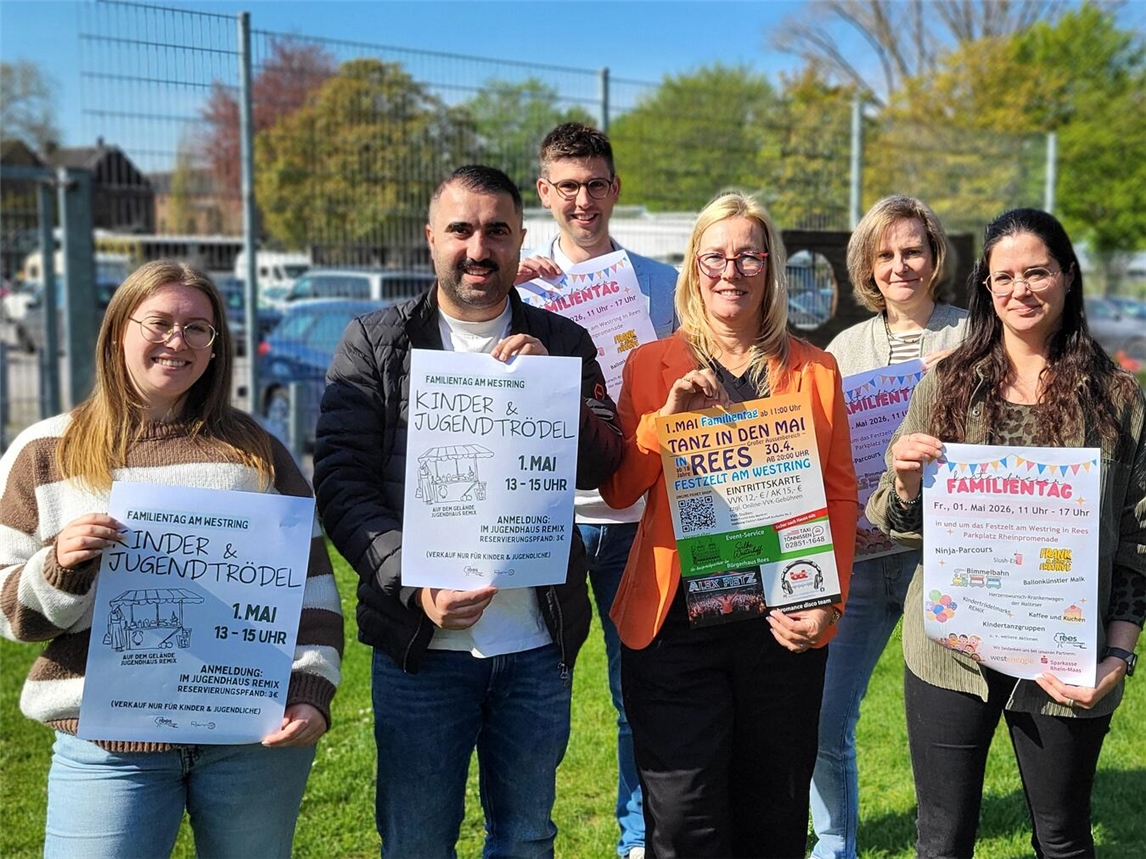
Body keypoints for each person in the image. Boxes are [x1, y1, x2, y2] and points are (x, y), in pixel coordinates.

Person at [312, 164, 624, 858]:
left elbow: (607, 464)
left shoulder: (564, 340)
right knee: (417, 841)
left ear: (520, 240)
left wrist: (553, 391)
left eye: (497, 231)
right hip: (420, 650)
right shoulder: (375, 341)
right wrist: (414, 583)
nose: (478, 249)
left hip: (536, 647)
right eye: (461, 229)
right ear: (431, 238)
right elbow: (341, 483)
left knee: (526, 837)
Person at [0, 260, 344, 859]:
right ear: (118, 333)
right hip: (106, 744)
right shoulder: (45, 452)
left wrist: (311, 687)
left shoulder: (257, 453)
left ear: (215, 346)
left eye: (197, 329)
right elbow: (10, 614)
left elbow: (309, 590)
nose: (177, 341)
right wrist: (60, 567)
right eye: (158, 323)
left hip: (250, 739)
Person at [867, 208, 1145, 858]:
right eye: (1005, 277)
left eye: (1037, 272)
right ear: (987, 288)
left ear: (1067, 276)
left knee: (1063, 836)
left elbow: (1138, 542)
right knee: (943, 839)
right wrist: (905, 482)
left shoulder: (1118, 399)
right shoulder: (946, 385)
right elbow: (894, 521)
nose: (1021, 289)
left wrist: (1117, 657)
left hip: (1065, 654)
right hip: (950, 653)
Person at [599, 191, 858, 857]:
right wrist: (666, 424)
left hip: (782, 621)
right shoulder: (651, 364)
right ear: (694, 266)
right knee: (684, 820)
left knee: (773, 816)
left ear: (770, 267)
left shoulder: (816, 370)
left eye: (748, 256)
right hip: (675, 629)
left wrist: (828, 604)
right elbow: (621, 488)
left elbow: (838, 497)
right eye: (715, 256)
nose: (731, 271)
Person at [516, 121, 679, 859]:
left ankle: (637, 837)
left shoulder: (661, 284)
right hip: (544, 512)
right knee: (534, 689)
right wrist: (509, 296)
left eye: (596, 185)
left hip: (637, 510)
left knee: (635, 688)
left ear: (616, 189)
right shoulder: (517, 284)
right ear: (544, 192)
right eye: (568, 187)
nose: (583, 200)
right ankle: (525, 833)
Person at [810, 195, 968, 859]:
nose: (900, 265)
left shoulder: (975, 333)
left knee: (948, 725)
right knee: (824, 718)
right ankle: (832, 845)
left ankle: (943, 843)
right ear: (866, 268)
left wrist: (959, 387)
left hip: (944, 558)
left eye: (912, 250)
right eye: (885, 255)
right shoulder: (844, 348)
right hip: (863, 556)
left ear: (935, 256)